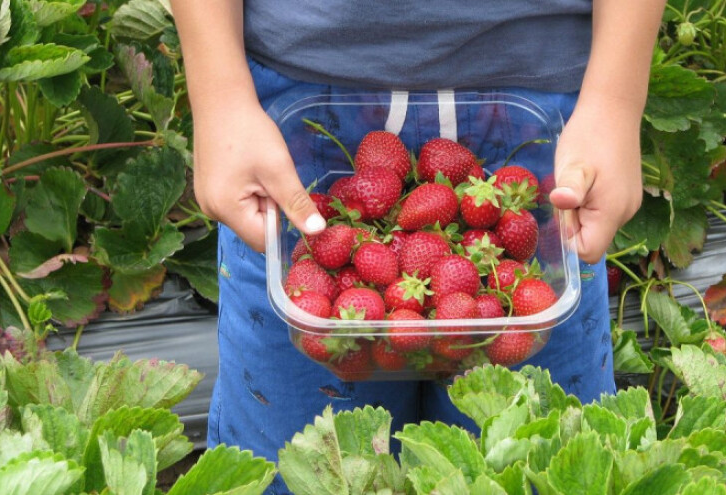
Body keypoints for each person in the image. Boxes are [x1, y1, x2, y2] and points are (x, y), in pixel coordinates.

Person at [171, 1, 665, 492]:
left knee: (544, 468)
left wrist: (614, 99)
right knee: (294, 472)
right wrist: (220, 96)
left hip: (548, 113)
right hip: (290, 121)